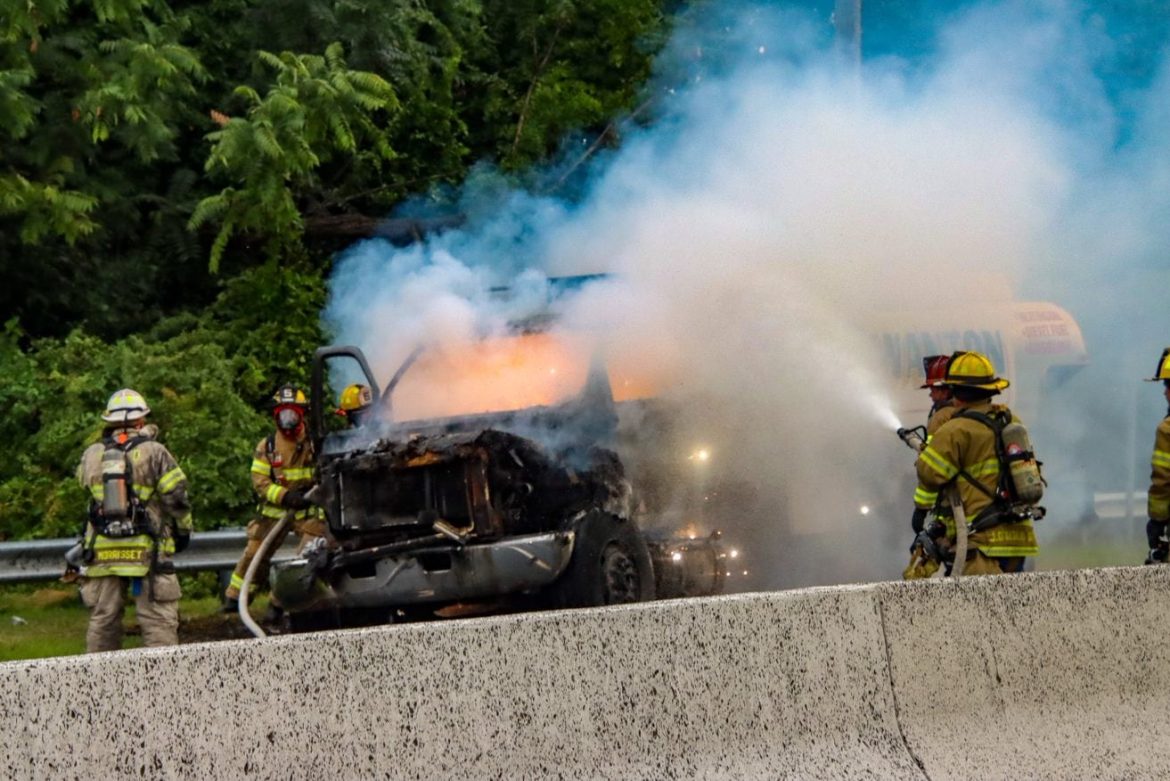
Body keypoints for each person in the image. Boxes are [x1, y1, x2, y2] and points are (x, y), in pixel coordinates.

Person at [76, 389, 192, 652]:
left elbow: (87, 492)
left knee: (103, 618)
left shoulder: (91, 454)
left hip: (102, 551)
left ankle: (97, 680)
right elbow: (177, 499)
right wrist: (183, 532)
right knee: (157, 618)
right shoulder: (155, 452)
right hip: (147, 548)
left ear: (109, 422)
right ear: (141, 420)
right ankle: (164, 680)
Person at [913, 350, 1040, 575]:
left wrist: (927, 451)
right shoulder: (1010, 420)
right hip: (1018, 540)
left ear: (955, 390)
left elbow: (929, 474)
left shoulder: (955, 429)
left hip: (979, 544)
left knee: (978, 609)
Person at [223, 383, 325, 619]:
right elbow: (259, 481)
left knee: (307, 556)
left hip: (309, 513)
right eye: (282, 414)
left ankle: (278, 603)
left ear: (302, 415)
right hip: (276, 512)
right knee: (255, 552)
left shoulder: (316, 442)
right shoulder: (267, 446)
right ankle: (236, 597)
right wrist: (285, 496)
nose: (287, 420)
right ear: (275, 415)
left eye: (293, 414)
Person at [909, 355, 958, 539]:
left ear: (946, 390)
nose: (930, 394)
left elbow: (932, 467)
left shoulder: (941, 417)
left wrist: (921, 510)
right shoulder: (976, 413)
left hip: (954, 505)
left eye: (933, 389)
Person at [1144, 347, 1170, 563]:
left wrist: (1157, 521)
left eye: (1167, 384)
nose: (1165, 392)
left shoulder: (1167, 430)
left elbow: (1162, 481)